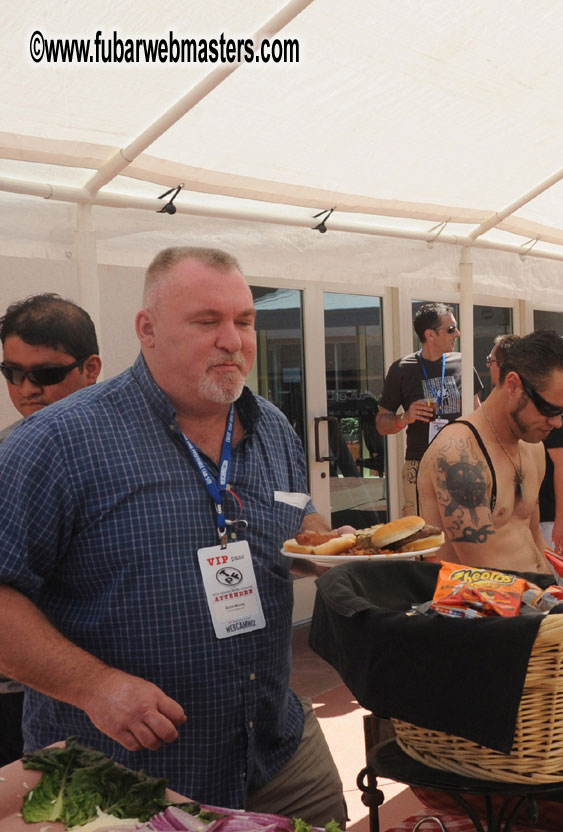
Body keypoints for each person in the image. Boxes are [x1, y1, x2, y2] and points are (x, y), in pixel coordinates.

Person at [0, 248, 346, 824]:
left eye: (244, 321)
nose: (232, 340)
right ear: (148, 329)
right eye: (207, 322)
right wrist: (96, 688)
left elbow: (295, 515)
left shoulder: (274, 430)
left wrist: (322, 544)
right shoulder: (56, 443)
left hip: (277, 756)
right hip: (119, 779)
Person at [0, 293, 102, 765]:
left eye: (46, 374)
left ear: (92, 369)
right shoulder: (8, 453)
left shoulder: (126, 451)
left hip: (101, 700)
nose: (27, 388)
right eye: (12, 374)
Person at [419, 330, 563, 572]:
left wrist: (559, 592)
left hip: (534, 599)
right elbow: (484, 574)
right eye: (548, 408)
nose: (557, 423)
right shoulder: (459, 454)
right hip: (489, 605)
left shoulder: (533, 447)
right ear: (513, 385)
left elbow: (535, 538)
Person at [377, 303, 483, 518]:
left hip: (461, 464)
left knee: (462, 536)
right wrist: (405, 417)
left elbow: (478, 416)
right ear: (430, 334)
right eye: (451, 329)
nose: (458, 334)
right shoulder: (401, 369)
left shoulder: (462, 363)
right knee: (424, 538)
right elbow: (381, 424)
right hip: (420, 463)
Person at [489, 334, 563, 554]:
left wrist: (562, 519)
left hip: (546, 517)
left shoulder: (547, 409)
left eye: (492, 362)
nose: (555, 421)